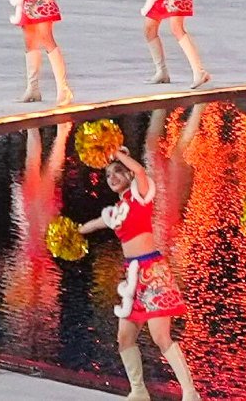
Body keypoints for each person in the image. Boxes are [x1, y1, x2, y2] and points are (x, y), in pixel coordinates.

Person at [73, 119, 193, 401]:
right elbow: (94, 224)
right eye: (108, 174)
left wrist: (115, 152)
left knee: (160, 337)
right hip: (132, 277)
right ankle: (139, 391)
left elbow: (140, 170)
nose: (112, 177)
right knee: (124, 338)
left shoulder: (141, 195)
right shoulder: (117, 210)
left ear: (128, 174)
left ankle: (190, 392)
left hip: (152, 272)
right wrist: (73, 232)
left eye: (117, 172)